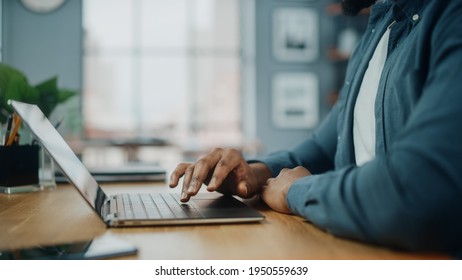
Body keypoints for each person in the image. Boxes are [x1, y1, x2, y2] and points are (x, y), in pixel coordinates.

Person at [169, 0, 462, 256]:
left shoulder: (451, 16)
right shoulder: (378, 30)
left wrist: (295, 191)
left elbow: (419, 191)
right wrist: (255, 173)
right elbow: (324, 146)